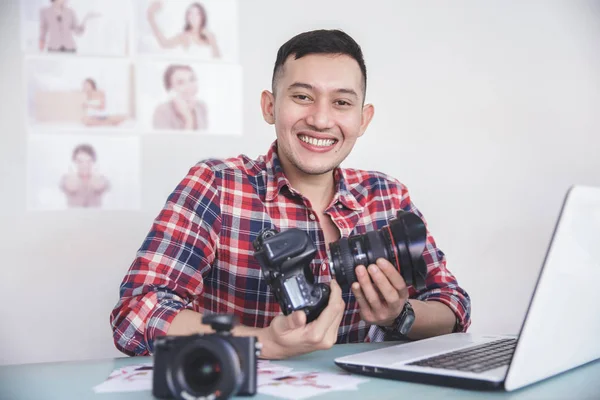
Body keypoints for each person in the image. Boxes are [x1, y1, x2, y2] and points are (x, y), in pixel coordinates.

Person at [111, 29, 471, 359]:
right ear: (270, 106)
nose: (320, 119)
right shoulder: (218, 185)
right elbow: (137, 314)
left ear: (363, 119)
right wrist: (262, 342)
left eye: (342, 103)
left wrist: (400, 314)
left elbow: (453, 307)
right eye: (302, 97)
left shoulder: (386, 196)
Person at [147, 1, 221, 58]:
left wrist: (212, 41)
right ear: (187, 17)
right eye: (190, 13)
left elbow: (218, 59)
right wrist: (151, 18)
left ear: (202, 16)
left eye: (197, 14)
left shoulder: (210, 36)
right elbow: (164, 44)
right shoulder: (185, 36)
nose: (193, 17)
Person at [152, 64, 208, 131]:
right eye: (181, 82)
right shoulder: (162, 111)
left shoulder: (201, 106)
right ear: (170, 89)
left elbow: (203, 140)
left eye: (192, 79)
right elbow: (173, 141)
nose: (189, 86)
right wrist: (188, 119)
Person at [60, 144, 110, 208]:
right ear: (75, 162)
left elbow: (98, 187)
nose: (85, 165)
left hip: (96, 216)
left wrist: (94, 174)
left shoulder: (101, 178)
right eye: (80, 161)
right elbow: (71, 187)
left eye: (88, 161)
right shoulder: (66, 178)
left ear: (93, 162)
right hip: (73, 216)